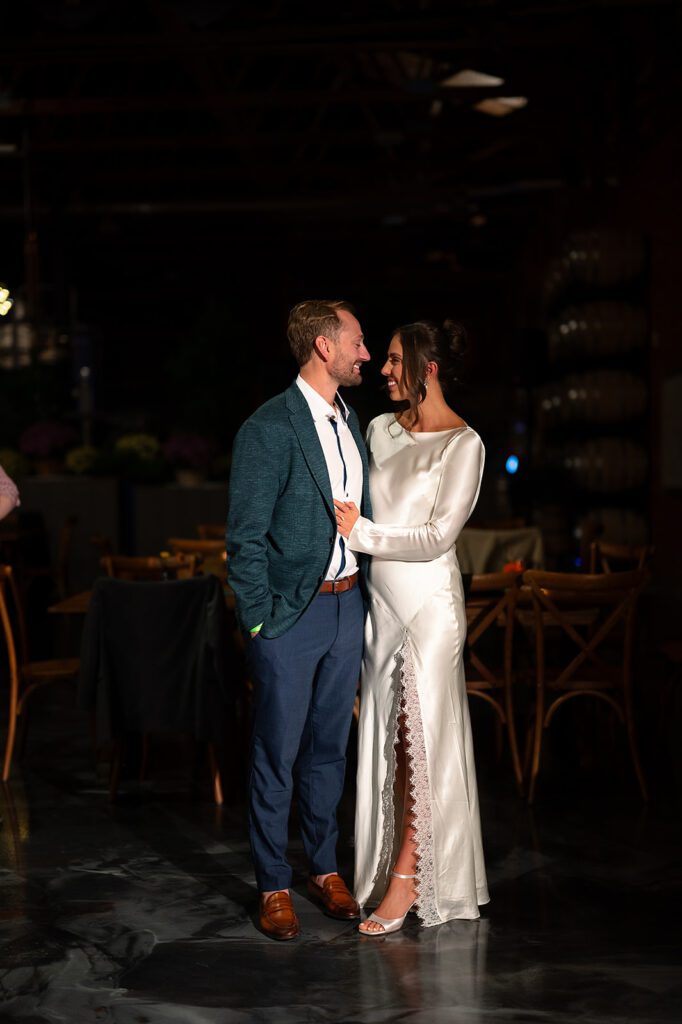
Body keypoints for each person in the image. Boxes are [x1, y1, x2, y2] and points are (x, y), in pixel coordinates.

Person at [334, 319, 489, 934]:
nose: (384, 369)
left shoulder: (464, 445)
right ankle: (387, 868)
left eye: (396, 360)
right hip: (382, 607)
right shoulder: (378, 429)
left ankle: (408, 877)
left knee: (421, 740)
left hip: (430, 608)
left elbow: (437, 537)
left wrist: (363, 534)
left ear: (429, 367)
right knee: (389, 742)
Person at [227, 299, 372, 941]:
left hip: (348, 604)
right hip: (291, 614)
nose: (365, 354)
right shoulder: (269, 427)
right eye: (357, 342)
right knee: (277, 752)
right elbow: (245, 537)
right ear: (324, 346)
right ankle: (272, 882)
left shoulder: (350, 420)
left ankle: (323, 867)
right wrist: (259, 623)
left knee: (329, 750)